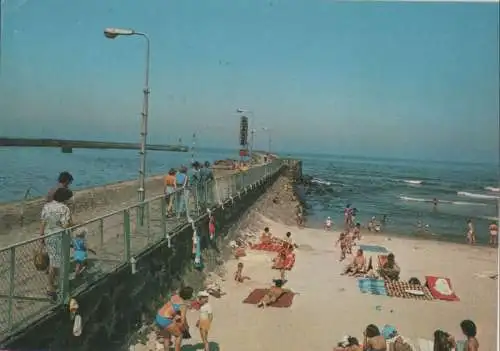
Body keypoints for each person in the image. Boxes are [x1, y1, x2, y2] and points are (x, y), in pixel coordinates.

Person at [40, 187, 74, 300]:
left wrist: (42, 236)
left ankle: (55, 284)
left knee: (53, 260)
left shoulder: (47, 206)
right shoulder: (64, 208)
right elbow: (66, 225)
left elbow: (43, 222)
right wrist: (72, 224)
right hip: (60, 237)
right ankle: (52, 287)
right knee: (58, 262)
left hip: (48, 235)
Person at [155, 286, 194, 351]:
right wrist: (185, 329)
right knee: (179, 335)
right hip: (165, 320)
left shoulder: (175, 296)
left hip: (159, 316)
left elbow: (173, 309)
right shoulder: (183, 306)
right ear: (188, 295)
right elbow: (182, 321)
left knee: (166, 337)